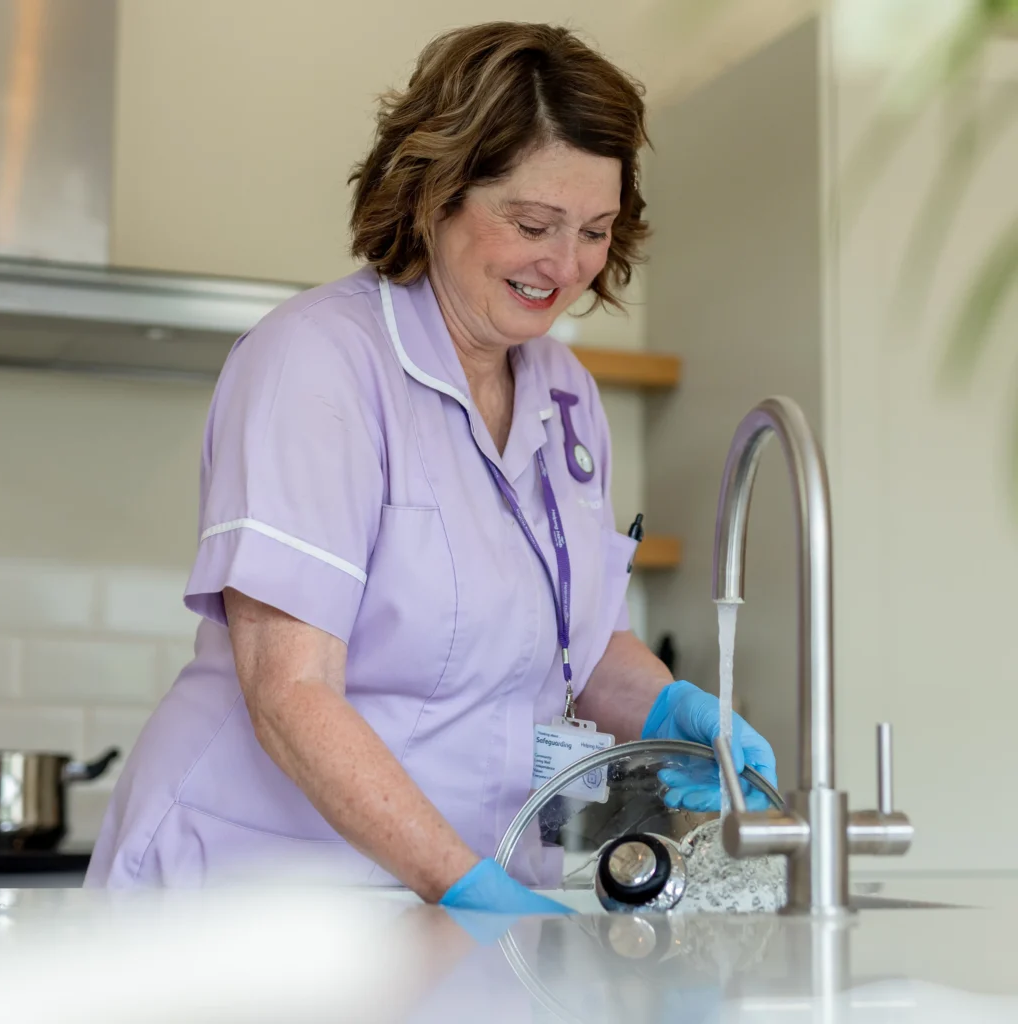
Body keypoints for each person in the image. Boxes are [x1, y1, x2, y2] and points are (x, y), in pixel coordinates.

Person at [85, 22, 776, 911]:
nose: (565, 266)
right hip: (263, 900)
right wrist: (467, 890)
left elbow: (573, 645)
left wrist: (671, 711)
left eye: (596, 231)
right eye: (533, 223)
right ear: (435, 194)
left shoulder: (565, 393)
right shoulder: (318, 365)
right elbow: (290, 693)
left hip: (450, 896)